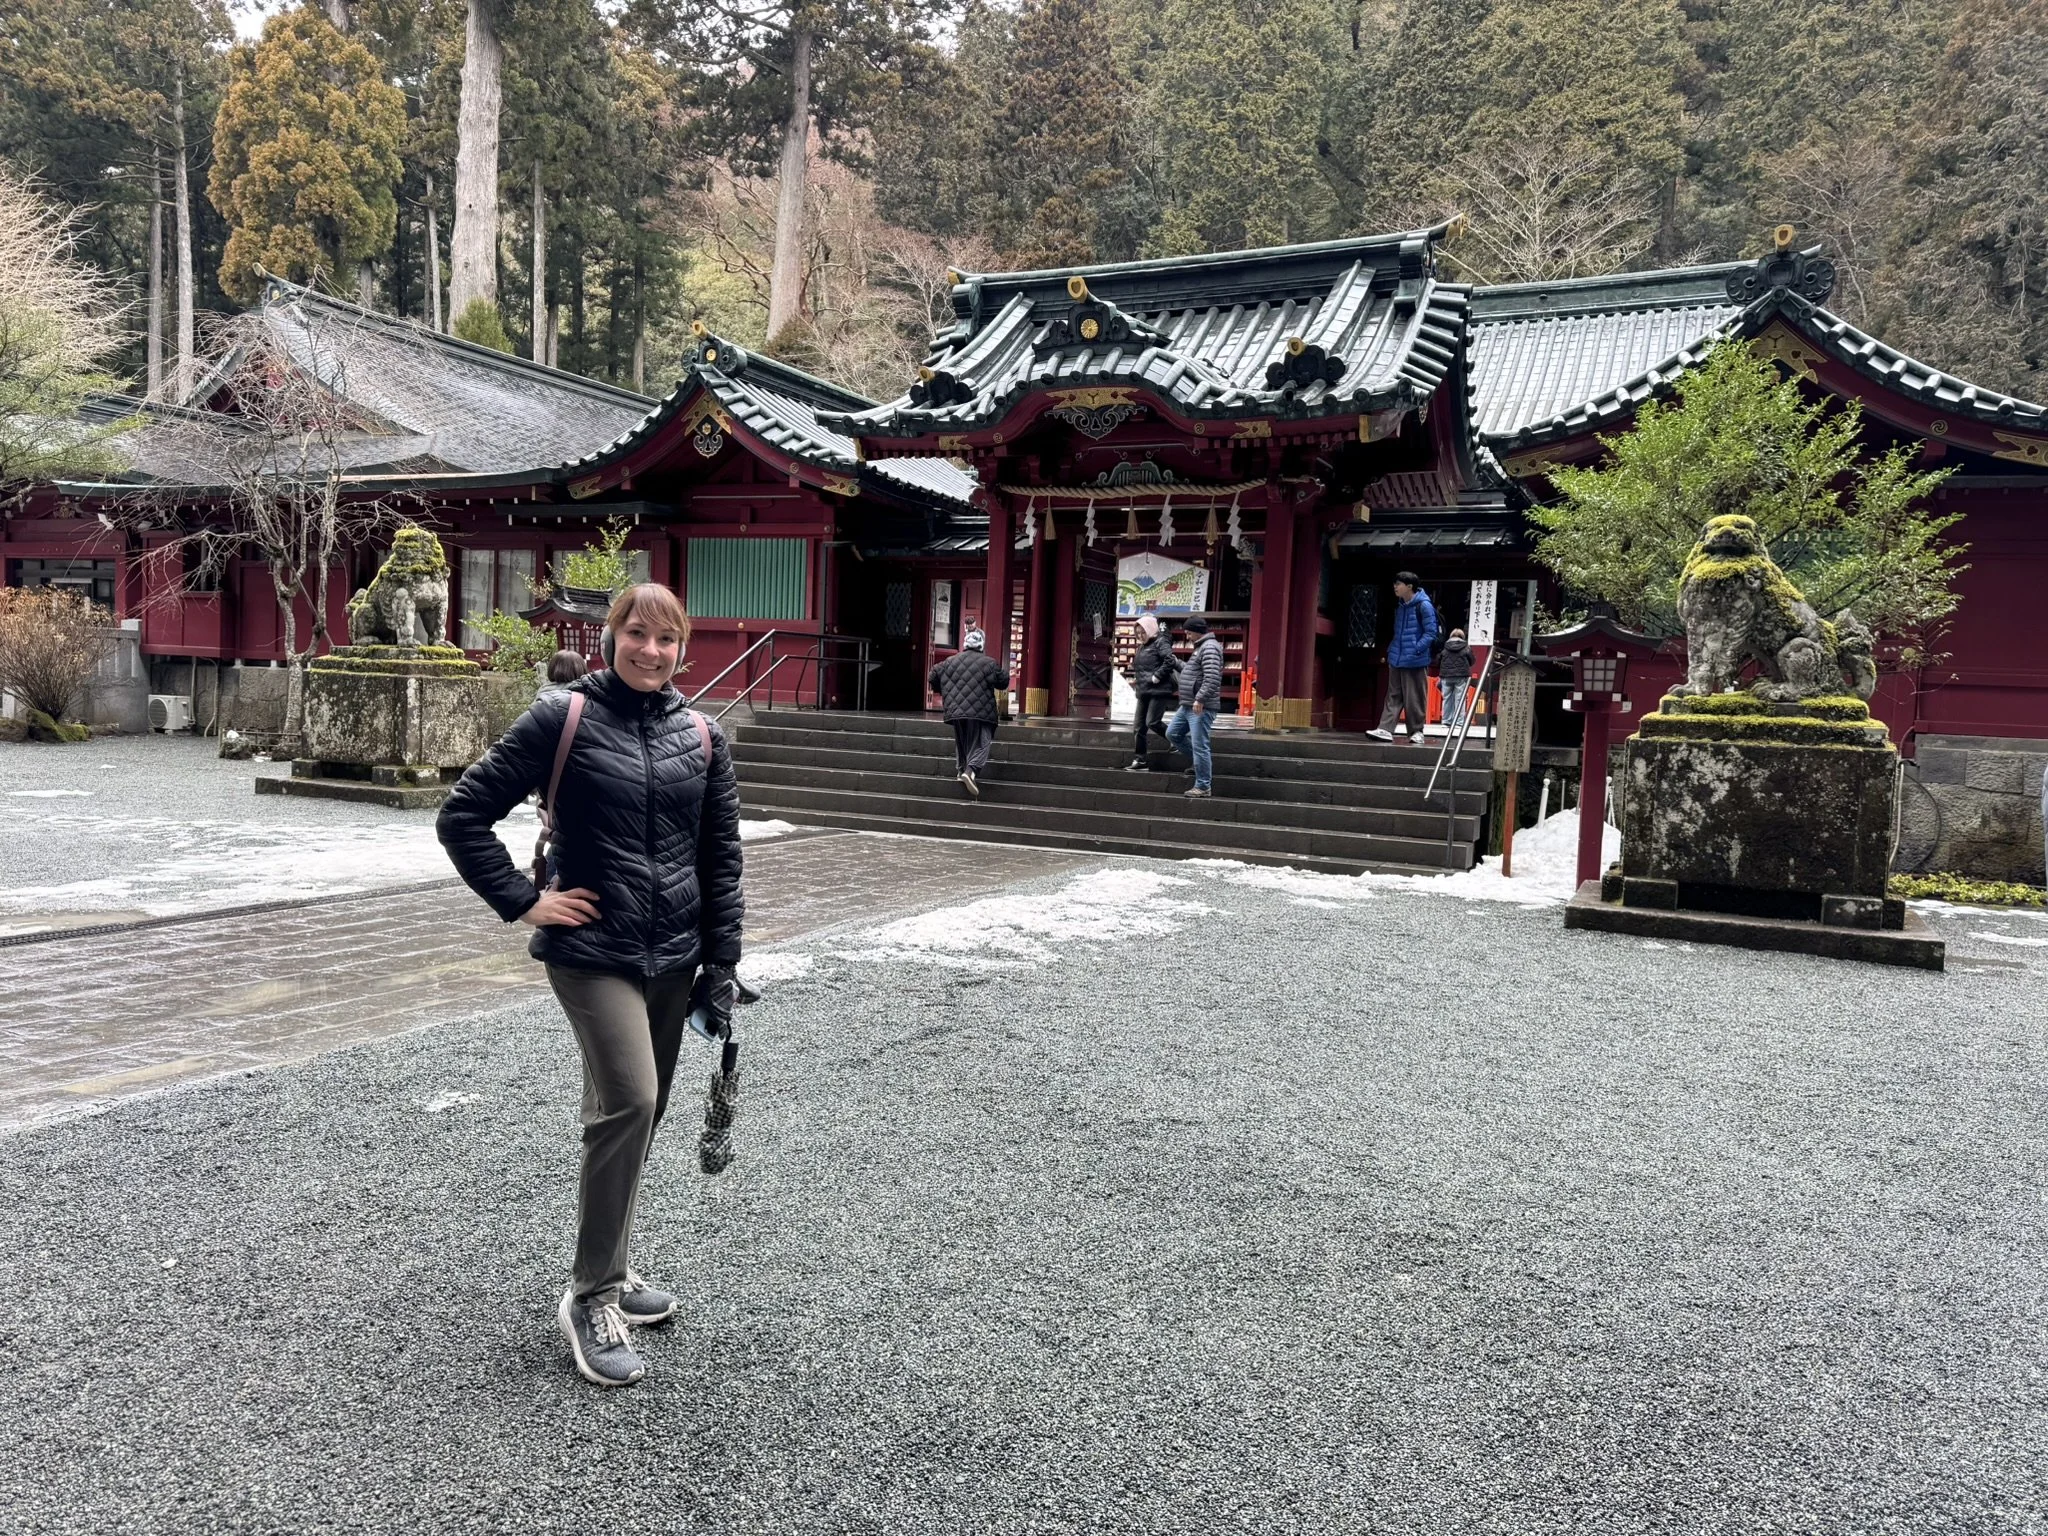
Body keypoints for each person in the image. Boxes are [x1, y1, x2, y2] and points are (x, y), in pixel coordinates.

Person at [436, 582, 744, 1390]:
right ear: (610, 637)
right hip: (591, 949)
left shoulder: (703, 736)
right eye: (637, 634)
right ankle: (592, 1295)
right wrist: (523, 899)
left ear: (683, 650)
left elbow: (721, 859)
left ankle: (611, 1259)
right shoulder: (562, 717)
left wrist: (722, 963)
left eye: (667, 639)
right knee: (632, 1101)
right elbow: (462, 815)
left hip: (673, 954)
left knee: (636, 1113)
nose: (651, 650)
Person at [927, 628, 1009, 798]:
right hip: (981, 711)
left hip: (955, 709)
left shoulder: (949, 661)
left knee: (962, 739)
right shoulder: (988, 663)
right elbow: (1003, 682)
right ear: (981, 645)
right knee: (982, 741)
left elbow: (932, 675)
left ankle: (960, 770)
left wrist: (942, 690)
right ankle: (970, 771)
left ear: (965, 644)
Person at [1367, 571, 1438, 744]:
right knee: (1393, 695)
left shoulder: (1424, 605)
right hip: (1397, 658)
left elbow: (1431, 632)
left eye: (1398, 584)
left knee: (1414, 697)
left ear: (1409, 586)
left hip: (1415, 659)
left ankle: (1416, 732)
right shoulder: (1401, 606)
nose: (1395, 587)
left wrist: (1416, 649)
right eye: (1395, 583)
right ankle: (1385, 729)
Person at [1165, 615, 1225, 799]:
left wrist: (1200, 698)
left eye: (1189, 632)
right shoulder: (1201, 648)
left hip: (1200, 706)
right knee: (1173, 733)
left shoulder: (1209, 648)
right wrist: (1176, 663)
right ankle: (1198, 764)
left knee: (1200, 746)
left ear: (1197, 631)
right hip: (1188, 705)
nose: (1187, 636)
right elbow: (1193, 672)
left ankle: (1203, 785)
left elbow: (1212, 677)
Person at [1125, 614, 1180, 771]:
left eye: (1143, 632)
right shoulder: (1141, 647)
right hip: (1144, 691)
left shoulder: (1160, 642)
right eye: (1137, 633)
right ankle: (1140, 759)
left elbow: (1170, 660)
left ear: (1150, 629)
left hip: (1159, 690)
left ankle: (1176, 739)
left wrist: (1158, 675)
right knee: (1138, 727)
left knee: (1152, 722)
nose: (1140, 636)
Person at [1437, 627, 1474, 733]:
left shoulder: (1445, 647)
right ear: (1462, 637)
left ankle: (1446, 721)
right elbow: (1472, 660)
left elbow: (1438, 660)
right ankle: (1459, 723)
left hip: (1446, 675)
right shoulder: (1466, 647)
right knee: (1460, 699)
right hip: (1461, 676)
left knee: (1446, 699)